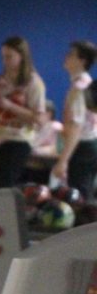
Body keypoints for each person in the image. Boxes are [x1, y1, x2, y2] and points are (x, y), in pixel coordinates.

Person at [0, 36, 47, 189]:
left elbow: (39, 119)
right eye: (3, 57)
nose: (5, 61)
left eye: (9, 57)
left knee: (3, 184)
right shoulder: (1, 79)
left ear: (22, 56)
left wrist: (9, 105)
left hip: (19, 139)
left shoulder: (33, 82)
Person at [55, 40, 97, 199]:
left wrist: (63, 161)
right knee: (86, 193)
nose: (65, 57)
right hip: (91, 144)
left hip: (83, 147)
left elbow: (76, 126)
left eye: (71, 54)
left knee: (80, 197)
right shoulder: (88, 83)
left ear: (82, 61)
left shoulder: (79, 89)